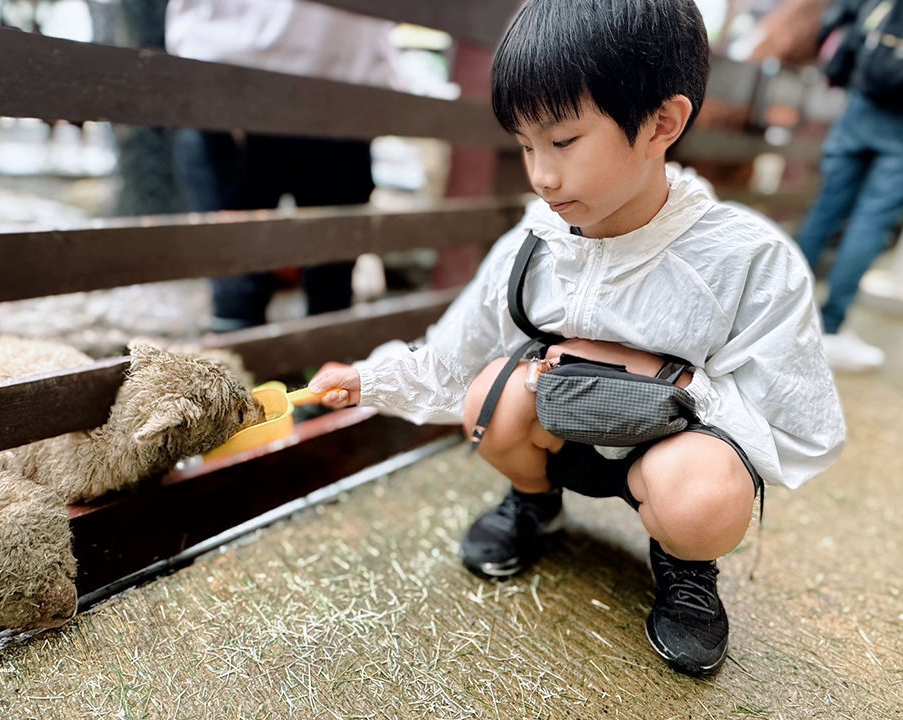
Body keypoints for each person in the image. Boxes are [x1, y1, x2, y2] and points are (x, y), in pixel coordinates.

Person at [308, 0, 846, 676]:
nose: (542, 175)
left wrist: (662, 379)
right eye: (526, 145)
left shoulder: (744, 260)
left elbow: (794, 421)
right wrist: (368, 379)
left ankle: (686, 565)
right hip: (558, 430)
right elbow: (456, 351)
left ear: (662, 123)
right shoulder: (537, 240)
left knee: (704, 495)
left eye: (563, 142)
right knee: (486, 401)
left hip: (672, 448)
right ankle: (534, 502)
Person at [165, 0, 401, 331]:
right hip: (231, 87)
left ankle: (316, 367)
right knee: (241, 279)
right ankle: (244, 364)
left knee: (327, 274)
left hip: (341, 94)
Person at [795, 0, 903, 371]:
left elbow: (841, 15)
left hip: (862, 99)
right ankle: (830, 326)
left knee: (825, 209)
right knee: (872, 222)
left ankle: (780, 311)